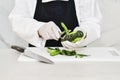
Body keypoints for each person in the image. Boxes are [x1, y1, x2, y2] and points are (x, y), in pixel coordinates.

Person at [9, 0, 102, 49]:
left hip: (76, 54)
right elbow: (18, 19)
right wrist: (39, 28)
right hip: (39, 56)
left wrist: (83, 34)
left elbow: (92, 22)